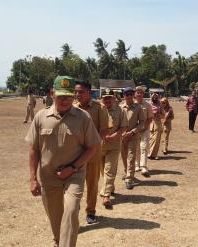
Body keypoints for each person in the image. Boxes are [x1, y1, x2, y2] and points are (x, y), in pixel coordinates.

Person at [25, 75, 100, 247]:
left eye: (69, 96)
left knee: (72, 210)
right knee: (55, 216)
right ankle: (58, 241)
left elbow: (92, 147)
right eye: (61, 96)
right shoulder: (41, 117)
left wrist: (73, 168)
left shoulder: (83, 118)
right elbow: (33, 149)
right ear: (52, 94)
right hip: (48, 177)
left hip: (74, 175)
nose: (66, 100)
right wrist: (32, 178)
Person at [73, 80, 110, 224]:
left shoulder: (99, 108)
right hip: (75, 153)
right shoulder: (72, 108)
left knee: (92, 183)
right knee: (74, 184)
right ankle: (73, 212)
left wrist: (92, 145)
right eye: (76, 92)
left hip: (93, 153)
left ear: (89, 92)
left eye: (81, 92)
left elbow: (105, 130)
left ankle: (90, 212)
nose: (77, 94)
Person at [99, 89, 128, 209]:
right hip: (99, 145)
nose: (107, 100)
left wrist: (115, 135)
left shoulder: (120, 110)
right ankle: (110, 188)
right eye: (105, 98)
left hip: (114, 145)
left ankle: (106, 196)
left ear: (114, 98)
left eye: (109, 97)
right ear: (102, 99)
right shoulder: (98, 110)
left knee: (109, 170)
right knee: (102, 170)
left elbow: (124, 127)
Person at [120, 87, 146, 189]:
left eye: (131, 94)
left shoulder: (138, 108)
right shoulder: (120, 107)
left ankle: (129, 178)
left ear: (133, 95)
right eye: (127, 95)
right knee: (123, 156)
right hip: (122, 136)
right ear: (124, 96)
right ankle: (126, 172)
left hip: (133, 136)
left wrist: (133, 131)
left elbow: (142, 122)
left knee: (131, 157)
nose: (129, 96)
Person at [134, 86, 153, 176]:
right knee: (136, 147)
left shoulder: (147, 105)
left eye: (141, 93)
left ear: (143, 94)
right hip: (134, 130)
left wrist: (144, 128)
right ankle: (137, 164)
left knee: (144, 147)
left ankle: (144, 166)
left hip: (145, 129)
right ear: (135, 94)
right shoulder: (132, 104)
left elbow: (150, 118)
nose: (139, 94)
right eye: (137, 92)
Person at [148, 93, 164, 160]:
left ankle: (154, 155)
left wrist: (159, 115)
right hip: (149, 124)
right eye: (153, 97)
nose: (154, 98)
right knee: (150, 140)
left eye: (156, 97)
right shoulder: (148, 104)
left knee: (156, 140)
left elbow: (163, 115)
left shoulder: (160, 105)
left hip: (158, 124)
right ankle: (149, 153)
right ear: (151, 97)